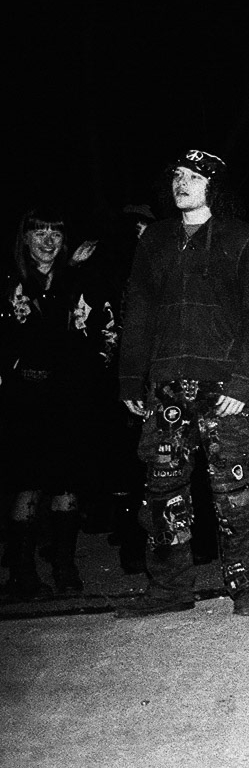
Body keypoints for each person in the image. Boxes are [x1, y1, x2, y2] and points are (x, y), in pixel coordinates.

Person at [116, 149, 249, 618]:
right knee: (163, 491)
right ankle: (169, 590)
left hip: (223, 388)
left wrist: (241, 385)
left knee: (234, 493)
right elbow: (138, 312)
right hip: (165, 386)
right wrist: (130, 380)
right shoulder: (155, 239)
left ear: (214, 187)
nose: (182, 183)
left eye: (195, 177)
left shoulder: (242, 239)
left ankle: (246, 587)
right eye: (178, 175)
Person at [0, 210, 116, 599]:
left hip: (69, 396)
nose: (48, 240)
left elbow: (104, 330)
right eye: (40, 232)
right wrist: (15, 370)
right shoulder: (11, 281)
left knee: (68, 483)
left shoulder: (79, 278)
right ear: (25, 237)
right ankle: (22, 573)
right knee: (28, 484)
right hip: (25, 397)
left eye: (56, 233)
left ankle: (65, 566)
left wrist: (91, 373)